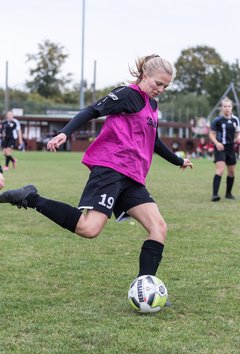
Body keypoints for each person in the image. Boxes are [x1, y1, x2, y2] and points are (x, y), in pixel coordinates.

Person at [0, 54, 192, 289]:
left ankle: (145, 287)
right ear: (144, 76)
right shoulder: (127, 95)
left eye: (165, 86)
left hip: (132, 176)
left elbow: (153, 140)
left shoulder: (152, 105)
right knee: (89, 228)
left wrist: (177, 160)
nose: (161, 89)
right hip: (111, 168)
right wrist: (65, 133)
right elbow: (91, 110)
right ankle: (30, 197)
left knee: (158, 227)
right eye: (157, 83)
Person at [209, 97, 240, 201]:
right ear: (221, 108)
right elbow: (211, 134)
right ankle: (214, 195)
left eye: (229, 106)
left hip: (231, 148)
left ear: (232, 107)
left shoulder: (235, 119)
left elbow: (238, 132)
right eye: (225, 106)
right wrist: (217, 143)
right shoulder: (217, 120)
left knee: (231, 172)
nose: (227, 108)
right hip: (220, 147)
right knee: (220, 170)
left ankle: (228, 194)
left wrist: (238, 137)